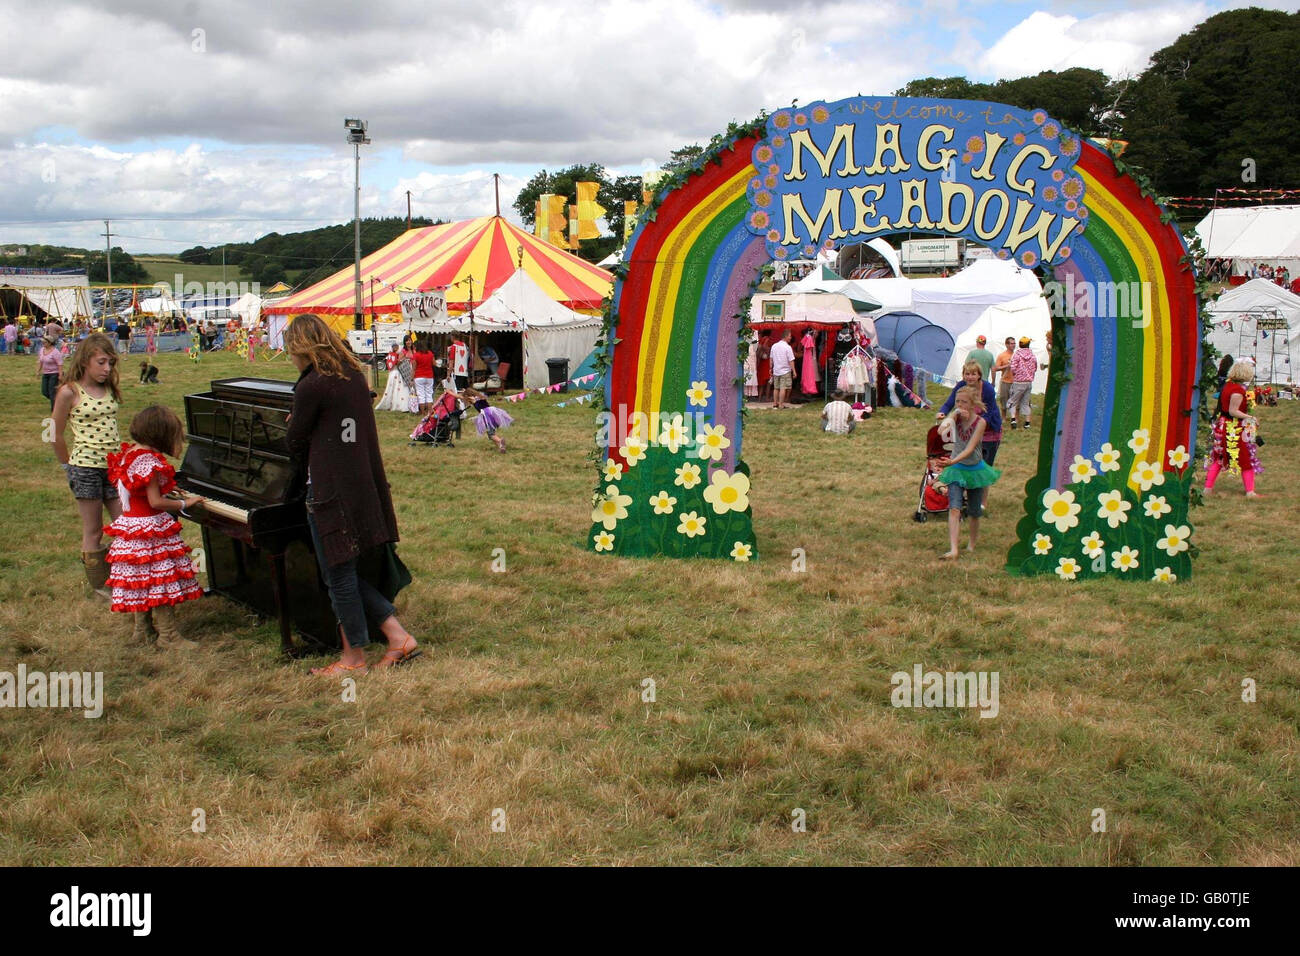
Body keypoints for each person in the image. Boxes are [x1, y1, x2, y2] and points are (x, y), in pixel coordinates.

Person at [284, 313, 420, 675]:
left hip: (329, 491)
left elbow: (294, 441)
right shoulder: (353, 376)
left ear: (301, 348)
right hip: (359, 484)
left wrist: (297, 426)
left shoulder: (313, 385)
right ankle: (397, 636)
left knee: (338, 574)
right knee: (339, 571)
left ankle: (353, 658)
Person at [104, 406, 205, 645]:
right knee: (161, 581)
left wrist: (168, 488)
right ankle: (168, 636)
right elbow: (155, 502)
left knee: (142, 580)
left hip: (131, 528)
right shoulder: (150, 462)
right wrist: (185, 502)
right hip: (150, 529)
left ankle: (143, 631)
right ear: (161, 435)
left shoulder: (130, 455)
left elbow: (138, 489)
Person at [51, 333, 123, 597]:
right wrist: (66, 466)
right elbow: (55, 433)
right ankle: (99, 586)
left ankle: (124, 577)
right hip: (85, 467)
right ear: (86, 360)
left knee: (124, 524)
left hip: (114, 467)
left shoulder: (109, 388)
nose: (107, 369)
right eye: (102, 362)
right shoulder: (69, 391)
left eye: (110, 364)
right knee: (93, 529)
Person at [937, 388, 1001, 559]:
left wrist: (952, 461)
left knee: (974, 512)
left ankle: (971, 544)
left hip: (975, 470)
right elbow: (940, 431)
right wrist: (951, 416)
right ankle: (953, 549)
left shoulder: (980, 422)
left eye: (963, 402)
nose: (959, 405)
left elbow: (970, 448)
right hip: (957, 471)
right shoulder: (955, 418)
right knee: (954, 508)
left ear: (973, 405)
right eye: (957, 401)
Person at [936, 360, 1003, 481]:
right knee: (967, 461)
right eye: (967, 374)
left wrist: (977, 423)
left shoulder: (987, 388)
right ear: (963, 375)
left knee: (984, 467)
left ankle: (983, 499)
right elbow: (950, 401)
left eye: (973, 374)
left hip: (989, 430)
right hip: (969, 430)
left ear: (979, 375)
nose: (970, 377)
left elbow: (990, 412)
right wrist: (943, 412)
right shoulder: (961, 386)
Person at [1205, 360, 1262, 498]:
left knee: (1219, 457)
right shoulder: (1237, 391)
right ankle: (1250, 492)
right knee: (1245, 458)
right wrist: (1251, 418)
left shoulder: (1228, 386)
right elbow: (1233, 411)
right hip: (1232, 428)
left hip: (1223, 425)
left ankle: (1207, 489)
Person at [459, 385, 512, 452]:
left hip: (486, 416)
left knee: (491, 434)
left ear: (468, 394)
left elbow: (459, 397)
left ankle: (500, 441)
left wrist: (449, 392)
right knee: (492, 433)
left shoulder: (471, 398)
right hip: (492, 413)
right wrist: (465, 391)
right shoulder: (479, 396)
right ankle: (501, 447)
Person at [1007, 336, 1039, 429]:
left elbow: (1012, 367)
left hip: (1018, 382)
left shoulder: (1017, 355)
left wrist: (1016, 374)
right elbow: (1035, 368)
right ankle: (1027, 423)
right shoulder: (1032, 356)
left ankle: (1013, 420)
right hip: (1028, 382)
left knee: (1013, 401)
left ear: (1020, 344)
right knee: (1026, 402)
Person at [992, 336, 1016, 424]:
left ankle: (1014, 418)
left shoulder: (1017, 355)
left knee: (1015, 400)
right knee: (1004, 400)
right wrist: (1006, 366)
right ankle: (1004, 418)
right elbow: (996, 368)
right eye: (1011, 343)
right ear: (1006, 345)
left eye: (1014, 343)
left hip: (1015, 382)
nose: (1013, 345)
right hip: (1005, 381)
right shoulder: (1002, 356)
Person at [37, 335, 64, 409]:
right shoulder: (42, 350)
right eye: (42, 342)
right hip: (45, 373)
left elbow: (60, 363)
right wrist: (38, 371)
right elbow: (40, 361)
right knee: (44, 392)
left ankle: (54, 410)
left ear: (50, 343)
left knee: (52, 392)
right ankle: (58, 400)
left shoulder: (55, 352)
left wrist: (60, 375)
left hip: (54, 374)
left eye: (45, 342)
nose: (43, 344)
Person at [770, 330, 795, 408]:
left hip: (776, 370)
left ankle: (775, 403)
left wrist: (770, 368)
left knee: (776, 388)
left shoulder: (774, 346)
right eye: (790, 336)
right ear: (786, 336)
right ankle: (781, 404)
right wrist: (794, 371)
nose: (790, 338)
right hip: (785, 371)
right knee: (783, 388)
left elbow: (771, 358)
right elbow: (791, 360)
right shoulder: (788, 347)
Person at [411, 339, 436, 414]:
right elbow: (434, 364)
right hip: (429, 376)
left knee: (421, 394)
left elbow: (414, 368)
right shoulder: (430, 354)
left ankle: (423, 412)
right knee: (429, 394)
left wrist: (411, 379)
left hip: (419, 376)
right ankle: (430, 411)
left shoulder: (416, 355)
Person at [800, 327, 820, 397]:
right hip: (811, 358)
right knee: (812, 375)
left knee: (808, 374)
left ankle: (808, 390)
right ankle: (811, 391)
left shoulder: (808, 337)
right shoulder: (811, 338)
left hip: (808, 358)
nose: (818, 334)